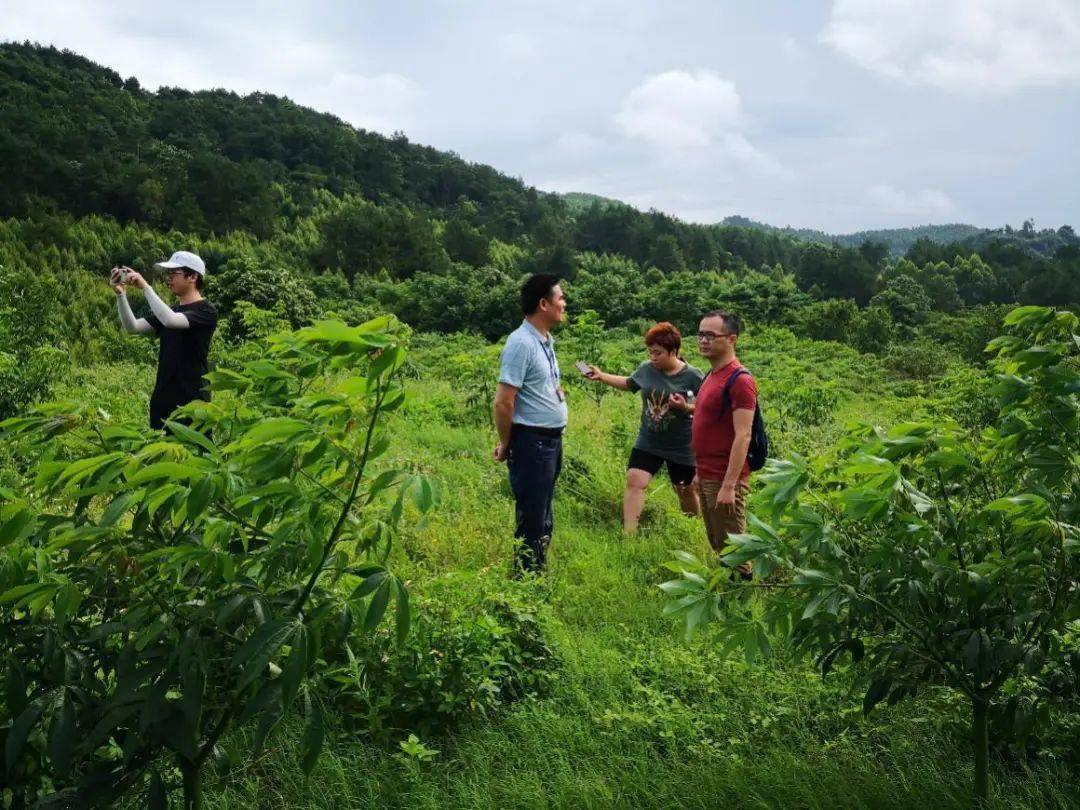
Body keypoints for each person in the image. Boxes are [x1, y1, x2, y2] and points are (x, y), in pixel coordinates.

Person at [582, 322, 703, 533]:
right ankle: (629, 534)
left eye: (657, 353)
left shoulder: (693, 376)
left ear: (673, 351)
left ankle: (694, 529)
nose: (653, 357)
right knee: (635, 480)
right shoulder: (647, 369)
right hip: (649, 440)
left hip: (681, 445)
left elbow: (705, 409)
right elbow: (630, 383)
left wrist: (685, 407)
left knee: (685, 490)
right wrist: (602, 376)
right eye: (650, 352)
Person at [492, 274, 568, 574]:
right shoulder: (520, 343)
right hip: (532, 442)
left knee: (544, 511)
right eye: (560, 298)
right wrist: (507, 442)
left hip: (550, 440)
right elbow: (503, 401)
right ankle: (526, 580)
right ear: (543, 303)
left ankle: (536, 572)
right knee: (532, 516)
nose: (564, 303)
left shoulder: (545, 341)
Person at [675, 310, 757, 577]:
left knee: (735, 548)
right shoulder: (711, 376)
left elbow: (743, 435)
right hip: (708, 473)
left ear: (731, 339)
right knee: (719, 542)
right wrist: (700, 471)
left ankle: (745, 602)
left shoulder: (740, 380)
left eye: (711, 335)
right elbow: (709, 422)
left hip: (726, 477)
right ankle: (730, 595)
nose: (703, 340)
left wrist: (729, 485)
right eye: (700, 334)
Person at [111, 251, 218, 430]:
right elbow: (133, 327)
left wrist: (145, 287)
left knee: (195, 454)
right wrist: (121, 295)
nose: (169, 279)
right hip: (163, 399)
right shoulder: (172, 310)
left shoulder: (206, 311)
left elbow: (171, 320)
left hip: (193, 402)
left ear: (192, 276)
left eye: (174, 274)